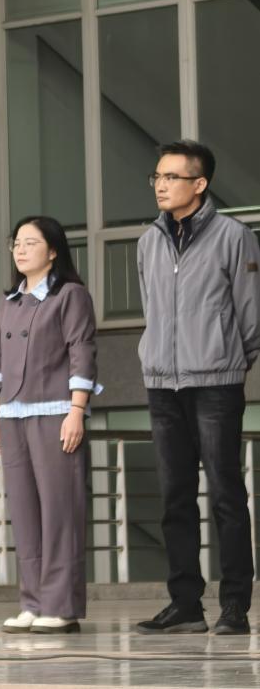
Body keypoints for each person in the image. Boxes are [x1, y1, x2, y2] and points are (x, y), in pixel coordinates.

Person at [135, 140, 260, 637]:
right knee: (175, 498)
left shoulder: (233, 236)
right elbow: (151, 308)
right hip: (162, 384)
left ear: (200, 183)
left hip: (216, 384)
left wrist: (225, 359)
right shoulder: (149, 241)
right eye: (157, 177)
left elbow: (250, 315)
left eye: (172, 177)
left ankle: (235, 606)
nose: (161, 185)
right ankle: (185, 604)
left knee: (226, 494)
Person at [0, 217, 100, 634]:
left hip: (55, 413)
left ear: (53, 251)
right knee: (24, 513)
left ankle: (60, 605)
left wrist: (77, 410)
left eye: (30, 242)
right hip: (11, 416)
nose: (20, 249)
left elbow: (81, 351)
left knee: (59, 511)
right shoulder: (8, 303)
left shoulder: (70, 295)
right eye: (16, 242)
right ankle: (32, 602)